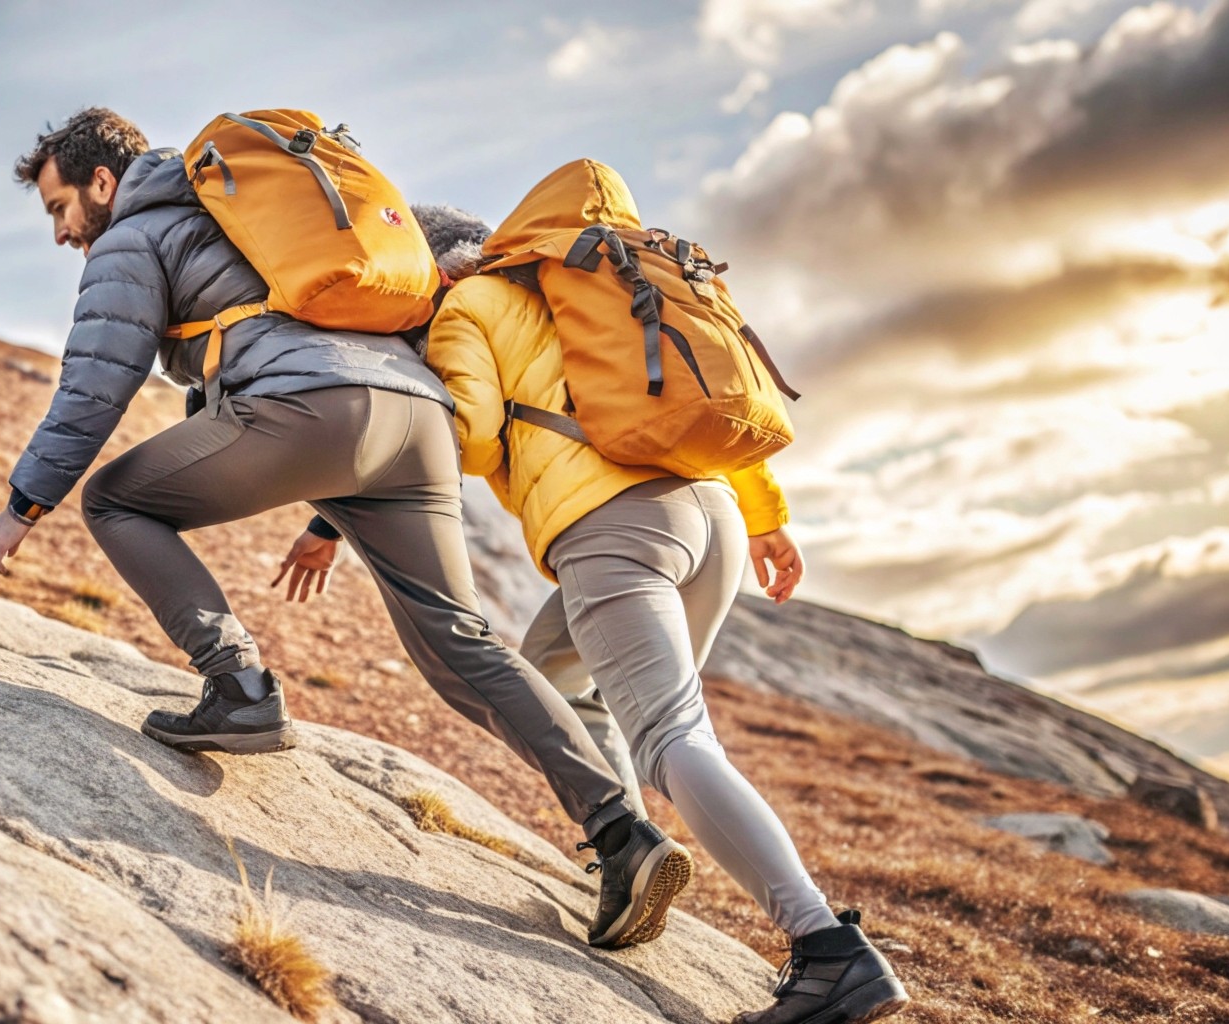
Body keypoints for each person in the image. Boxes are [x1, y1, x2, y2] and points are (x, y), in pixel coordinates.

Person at [0, 108, 690, 949]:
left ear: (101, 182)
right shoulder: (240, 209)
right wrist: (328, 522)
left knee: (117, 500)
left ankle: (236, 688)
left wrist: (22, 509)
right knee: (464, 645)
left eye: (59, 209)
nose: (60, 233)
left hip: (311, 413)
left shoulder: (134, 236)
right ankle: (623, 835)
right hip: (415, 421)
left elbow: (96, 383)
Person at [278, 203, 909, 1024]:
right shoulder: (579, 290)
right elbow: (681, 393)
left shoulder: (468, 308)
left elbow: (465, 440)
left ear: (432, 270)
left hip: (616, 527)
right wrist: (766, 520)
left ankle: (825, 948)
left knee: (672, 738)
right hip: (709, 513)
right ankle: (631, 858)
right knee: (556, 672)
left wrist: (382, 415)